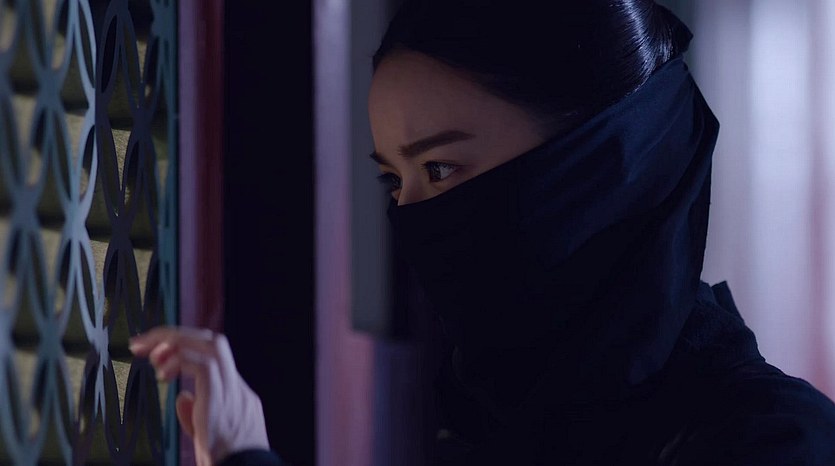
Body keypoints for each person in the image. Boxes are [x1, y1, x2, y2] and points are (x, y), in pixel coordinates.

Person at [129, 0, 835, 464]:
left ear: (598, 168)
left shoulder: (771, 443)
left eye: (440, 169)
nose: (414, 219)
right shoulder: (487, 427)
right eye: (394, 181)